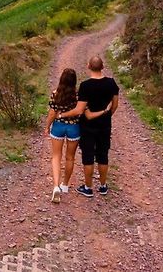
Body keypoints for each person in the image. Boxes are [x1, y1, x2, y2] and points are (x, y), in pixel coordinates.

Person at [58, 56, 119, 198]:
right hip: (105, 125)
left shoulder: (85, 86)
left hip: (88, 126)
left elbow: (79, 110)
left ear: (88, 66)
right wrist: (106, 114)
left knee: (88, 156)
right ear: (103, 66)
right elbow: (115, 105)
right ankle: (103, 186)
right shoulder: (111, 83)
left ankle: (88, 187)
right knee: (103, 155)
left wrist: (62, 115)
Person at [45, 68, 108, 203]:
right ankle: (65, 185)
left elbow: (52, 113)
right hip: (74, 128)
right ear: (74, 81)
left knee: (56, 156)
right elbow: (86, 113)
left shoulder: (56, 94)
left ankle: (56, 186)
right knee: (70, 158)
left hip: (58, 126)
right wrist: (105, 111)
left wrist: (47, 126)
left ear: (61, 79)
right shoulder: (79, 95)